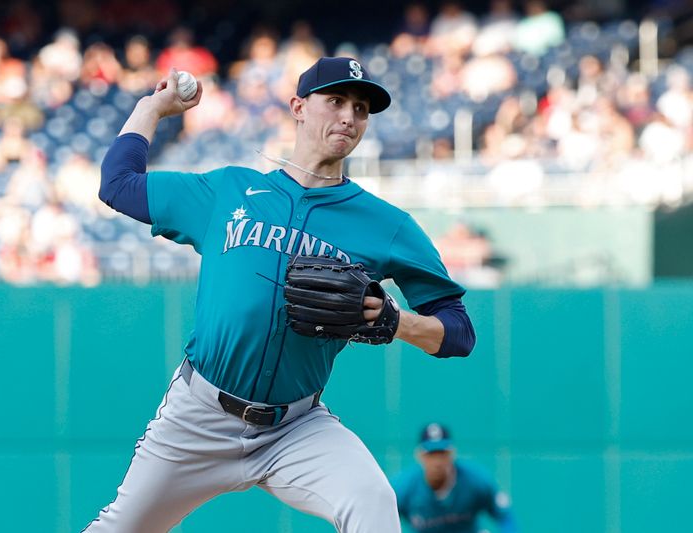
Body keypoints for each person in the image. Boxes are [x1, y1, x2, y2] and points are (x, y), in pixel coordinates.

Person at [87, 56, 476, 533]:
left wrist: (399, 322)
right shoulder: (228, 190)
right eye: (335, 101)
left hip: (296, 427)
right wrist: (153, 106)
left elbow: (459, 331)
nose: (349, 117)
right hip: (198, 417)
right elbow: (118, 185)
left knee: (372, 501)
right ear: (298, 106)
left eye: (360, 108)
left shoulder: (387, 225)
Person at [391, 423, 517, 533]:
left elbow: (504, 516)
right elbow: (383, 519)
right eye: (431, 454)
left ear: (452, 454)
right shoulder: (404, 487)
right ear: (419, 456)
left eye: (442, 453)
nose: (437, 462)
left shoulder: (474, 480)